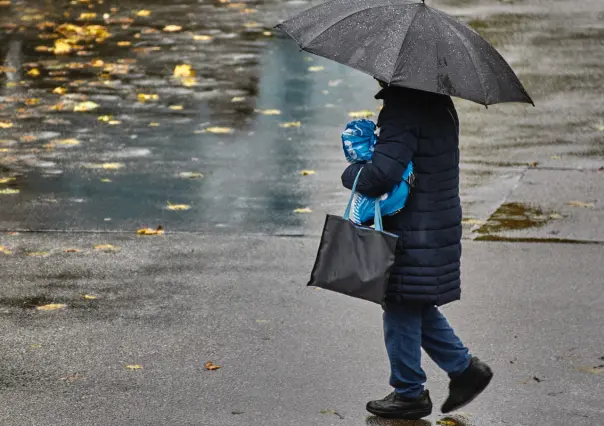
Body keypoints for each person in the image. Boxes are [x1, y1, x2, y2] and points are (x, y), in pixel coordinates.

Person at [341, 82, 493, 420]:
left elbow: (381, 175)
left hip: (412, 227)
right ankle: (463, 368)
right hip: (434, 220)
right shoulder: (438, 102)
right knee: (410, 301)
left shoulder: (403, 108)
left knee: (399, 302)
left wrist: (350, 172)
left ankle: (409, 392)